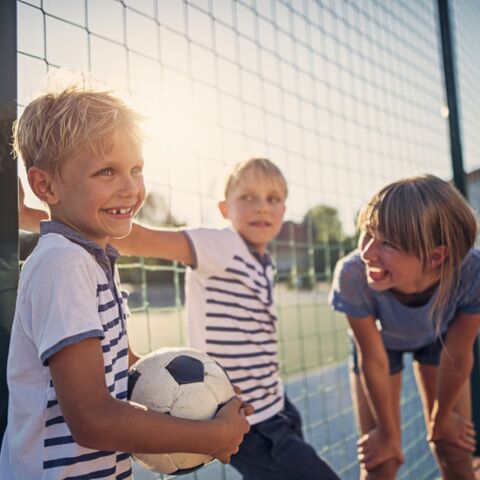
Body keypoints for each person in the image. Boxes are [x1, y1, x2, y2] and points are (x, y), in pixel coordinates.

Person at [1, 86, 252, 480]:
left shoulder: (92, 259)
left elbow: (122, 368)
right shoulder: (62, 264)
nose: (130, 188)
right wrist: (209, 435)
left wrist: (210, 399)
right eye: (106, 171)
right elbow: (92, 418)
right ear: (46, 186)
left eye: (136, 169)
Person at [76, 157, 340, 480]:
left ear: (284, 211)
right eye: (248, 198)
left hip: (276, 403)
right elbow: (135, 239)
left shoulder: (264, 262)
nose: (262, 208)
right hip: (252, 423)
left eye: (273, 199)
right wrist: (42, 216)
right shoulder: (222, 245)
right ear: (224, 209)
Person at [329, 175, 480, 480]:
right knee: (380, 462)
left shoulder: (472, 273)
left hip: (439, 340)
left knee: (454, 449)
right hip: (379, 347)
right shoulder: (353, 275)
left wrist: (441, 419)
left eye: (387, 243)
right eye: (367, 234)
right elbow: (372, 358)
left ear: (437, 256)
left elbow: (458, 355)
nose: (368, 252)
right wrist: (386, 433)